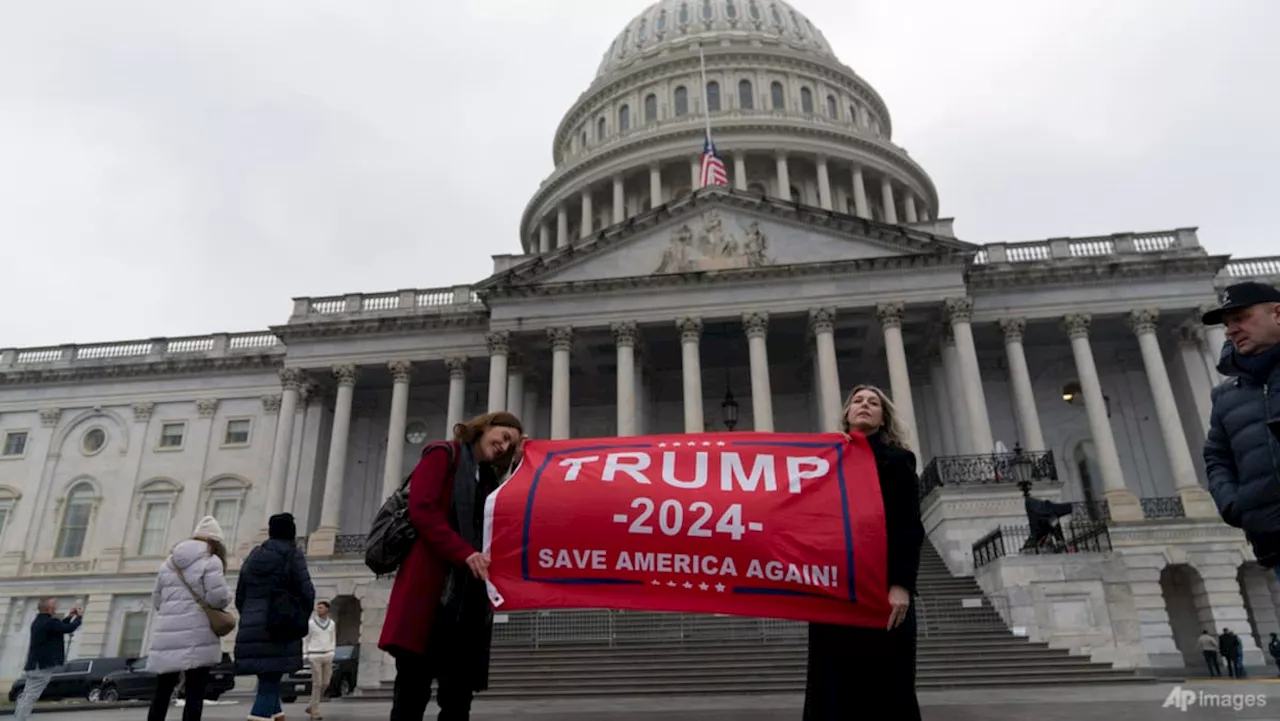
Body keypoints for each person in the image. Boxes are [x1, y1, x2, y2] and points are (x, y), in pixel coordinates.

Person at [379, 411, 525, 721]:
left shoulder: (486, 476)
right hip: (429, 587)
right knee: (412, 691)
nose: (503, 445)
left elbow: (501, 515)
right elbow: (422, 511)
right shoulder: (442, 454)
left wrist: (520, 463)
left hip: (466, 598)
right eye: (502, 436)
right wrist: (464, 553)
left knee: (458, 697)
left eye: (510, 444)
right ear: (485, 427)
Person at [804, 385, 924, 721]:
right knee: (831, 686)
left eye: (873, 403)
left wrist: (901, 583)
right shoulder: (827, 459)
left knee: (888, 685)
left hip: (880, 588)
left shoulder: (898, 460)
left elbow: (908, 526)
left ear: (883, 416)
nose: (865, 406)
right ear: (847, 413)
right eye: (858, 401)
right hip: (835, 587)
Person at [1202, 282, 1280, 579]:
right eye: (1226, 323)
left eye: (1241, 318)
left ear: (1278, 314)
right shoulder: (1226, 395)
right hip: (1273, 539)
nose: (1230, 330)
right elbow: (1217, 458)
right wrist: (1235, 505)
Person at [146, 516, 233, 721]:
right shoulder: (211, 561)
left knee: (163, 690)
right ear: (215, 541)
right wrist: (228, 596)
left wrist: (172, 613)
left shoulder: (169, 563)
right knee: (195, 690)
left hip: (168, 633)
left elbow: (157, 599)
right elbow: (218, 598)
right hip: (198, 632)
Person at [235, 512, 315, 721]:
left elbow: (240, 594)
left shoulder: (254, 555)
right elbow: (307, 592)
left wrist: (251, 616)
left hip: (252, 625)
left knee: (268, 679)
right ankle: (258, 717)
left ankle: (277, 716)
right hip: (280, 625)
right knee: (269, 683)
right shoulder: (291, 554)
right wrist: (299, 617)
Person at [14, 599, 82, 721]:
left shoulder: (39, 621)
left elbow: (59, 628)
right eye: (54, 606)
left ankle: (18, 718)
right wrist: (79, 618)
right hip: (41, 667)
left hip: (33, 666)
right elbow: (68, 628)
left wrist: (69, 617)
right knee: (30, 697)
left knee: (26, 696)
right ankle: (20, 719)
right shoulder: (49, 622)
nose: (56, 608)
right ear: (48, 609)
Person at [303, 600, 337, 720]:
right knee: (317, 683)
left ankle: (311, 705)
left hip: (327, 655)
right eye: (318, 608)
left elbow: (333, 638)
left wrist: (332, 651)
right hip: (314, 655)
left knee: (325, 682)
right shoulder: (311, 623)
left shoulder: (331, 623)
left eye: (321, 608)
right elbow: (306, 639)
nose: (319, 610)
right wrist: (306, 654)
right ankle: (315, 711)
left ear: (327, 609)